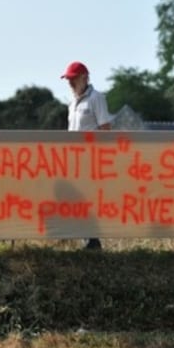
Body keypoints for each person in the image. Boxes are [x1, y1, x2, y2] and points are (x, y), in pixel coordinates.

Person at [61, 60, 112, 250]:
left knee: (86, 197)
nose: (70, 83)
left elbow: (105, 129)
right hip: (74, 158)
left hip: (91, 158)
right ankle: (87, 237)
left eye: (73, 79)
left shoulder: (96, 98)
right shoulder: (71, 103)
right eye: (68, 79)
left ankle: (91, 239)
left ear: (84, 77)